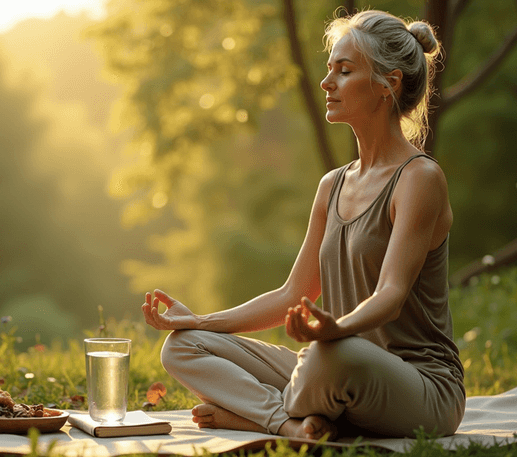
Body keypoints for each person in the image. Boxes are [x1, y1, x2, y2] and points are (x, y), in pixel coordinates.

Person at [141, 9, 465, 441]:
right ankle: (291, 423)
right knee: (183, 348)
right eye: (329, 69)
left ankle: (254, 415)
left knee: (326, 357)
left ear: (389, 83)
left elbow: (390, 293)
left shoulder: (419, 179)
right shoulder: (332, 186)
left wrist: (336, 330)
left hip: (421, 387)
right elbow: (292, 295)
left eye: (344, 71)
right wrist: (198, 321)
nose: (326, 83)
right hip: (337, 363)